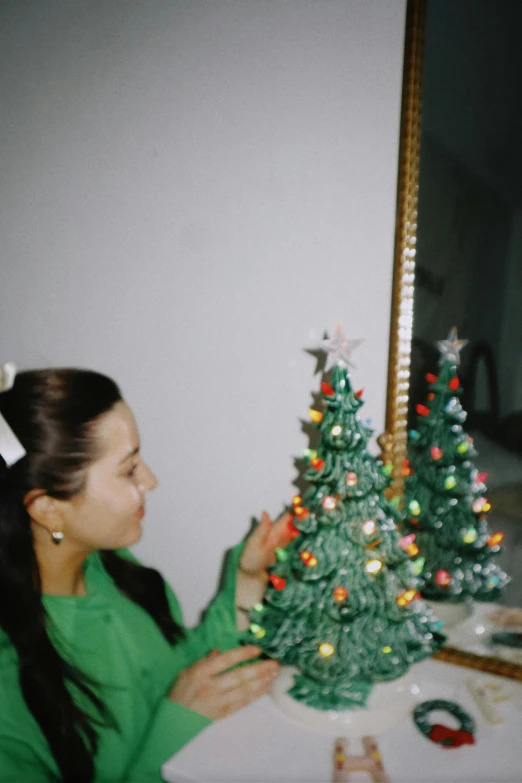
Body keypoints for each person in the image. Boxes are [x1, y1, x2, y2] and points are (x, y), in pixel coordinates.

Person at [0, 364, 292, 783]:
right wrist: (168, 741)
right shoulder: (9, 688)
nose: (150, 481)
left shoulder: (118, 572)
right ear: (48, 508)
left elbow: (183, 674)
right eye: (128, 469)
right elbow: (177, 709)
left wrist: (247, 578)